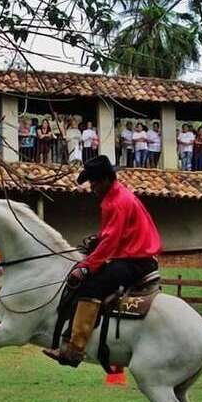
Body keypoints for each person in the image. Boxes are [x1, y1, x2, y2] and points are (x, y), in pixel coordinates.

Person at [42, 155, 161, 367]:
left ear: (106, 179)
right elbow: (113, 235)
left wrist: (86, 267)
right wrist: (98, 239)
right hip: (135, 257)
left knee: (90, 285)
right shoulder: (117, 196)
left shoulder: (116, 202)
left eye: (94, 182)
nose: (92, 187)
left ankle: (74, 349)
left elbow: (110, 243)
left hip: (135, 262)